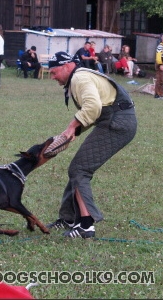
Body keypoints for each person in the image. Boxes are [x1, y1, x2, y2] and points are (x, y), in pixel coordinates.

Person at [46, 52, 137, 238]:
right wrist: (72, 133)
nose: (53, 77)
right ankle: (69, 218)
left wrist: (72, 126)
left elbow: (93, 107)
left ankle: (86, 226)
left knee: (79, 170)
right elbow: (97, 111)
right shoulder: (80, 76)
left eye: (54, 72)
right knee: (77, 168)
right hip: (114, 120)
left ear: (66, 66)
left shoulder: (79, 78)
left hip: (117, 123)